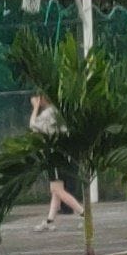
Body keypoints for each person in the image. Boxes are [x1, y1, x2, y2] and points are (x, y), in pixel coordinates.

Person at [35, 93, 85, 225]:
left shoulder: (49, 112)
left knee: (57, 189)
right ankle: (49, 220)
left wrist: (35, 108)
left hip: (54, 154)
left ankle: (83, 213)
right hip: (59, 153)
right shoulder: (57, 111)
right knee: (56, 190)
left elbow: (33, 126)